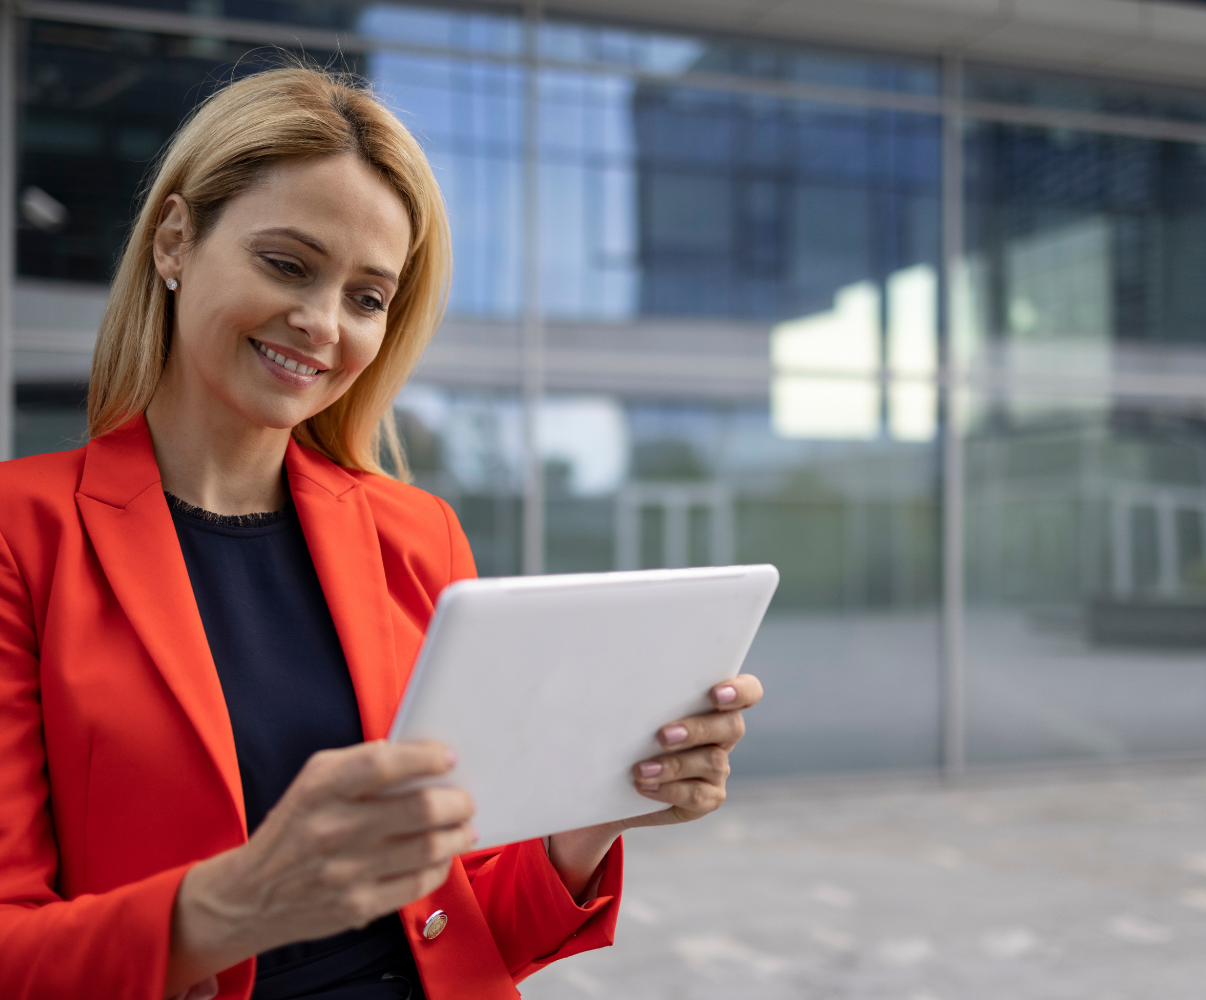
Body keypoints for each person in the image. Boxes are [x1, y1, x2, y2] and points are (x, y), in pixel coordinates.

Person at [0, 64, 763, 1000]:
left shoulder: (416, 533)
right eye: (287, 264)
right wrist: (234, 905)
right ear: (174, 240)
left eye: (367, 297)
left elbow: (466, 927)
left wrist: (592, 816)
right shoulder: (22, 535)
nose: (321, 323)